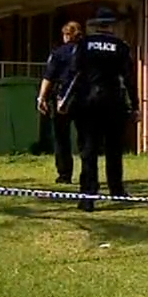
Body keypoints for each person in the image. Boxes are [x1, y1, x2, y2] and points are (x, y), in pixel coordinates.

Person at [69, 8, 138, 211]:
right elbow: (129, 79)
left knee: (89, 150)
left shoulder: (83, 45)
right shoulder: (121, 46)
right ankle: (117, 190)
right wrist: (135, 105)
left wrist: (66, 100)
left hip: (87, 102)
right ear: (112, 26)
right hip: (113, 101)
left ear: (96, 24)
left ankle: (88, 196)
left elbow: (74, 72)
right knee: (113, 148)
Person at [38, 20, 84, 184]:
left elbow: (49, 77)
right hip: (84, 98)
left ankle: (65, 174)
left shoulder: (58, 53)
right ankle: (87, 173)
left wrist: (42, 97)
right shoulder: (86, 52)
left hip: (61, 98)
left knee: (61, 137)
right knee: (85, 137)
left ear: (67, 35)